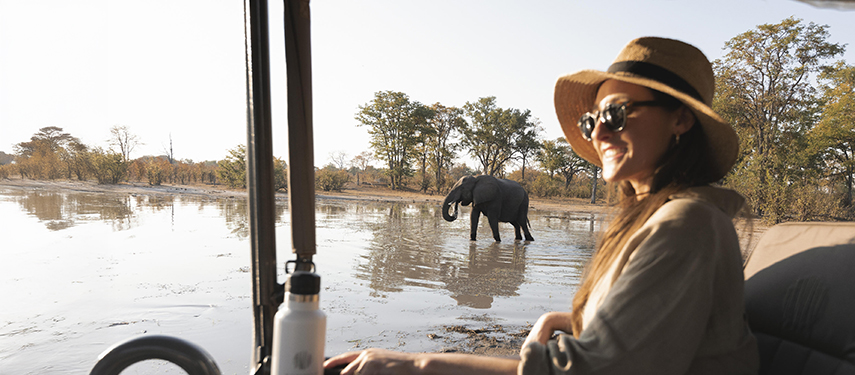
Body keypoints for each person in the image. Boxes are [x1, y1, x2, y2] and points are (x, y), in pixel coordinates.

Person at [324, 37, 759, 375]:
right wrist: (569, 317)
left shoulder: (687, 222)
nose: (597, 134)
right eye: (591, 122)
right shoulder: (662, 215)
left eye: (616, 114)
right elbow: (652, 326)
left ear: (681, 119)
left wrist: (419, 364)